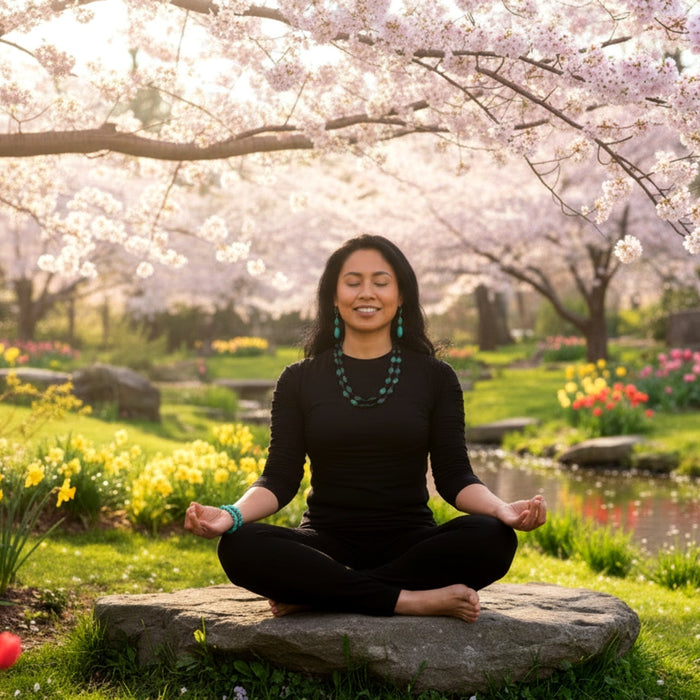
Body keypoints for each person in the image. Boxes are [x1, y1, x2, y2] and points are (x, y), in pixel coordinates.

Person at [185, 234, 546, 623]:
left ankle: (323, 594)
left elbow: (454, 476)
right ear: (334, 296)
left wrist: (501, 509)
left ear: (401, 294)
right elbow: (278, 478)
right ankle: (410, 600)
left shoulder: (436, 378)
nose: (366, 293)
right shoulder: (298, 380)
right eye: (353, 282)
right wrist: (230, 516)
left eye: (380, 281)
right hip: (325, 542)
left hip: (411, 543)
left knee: (492, 538)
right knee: (240, 546)